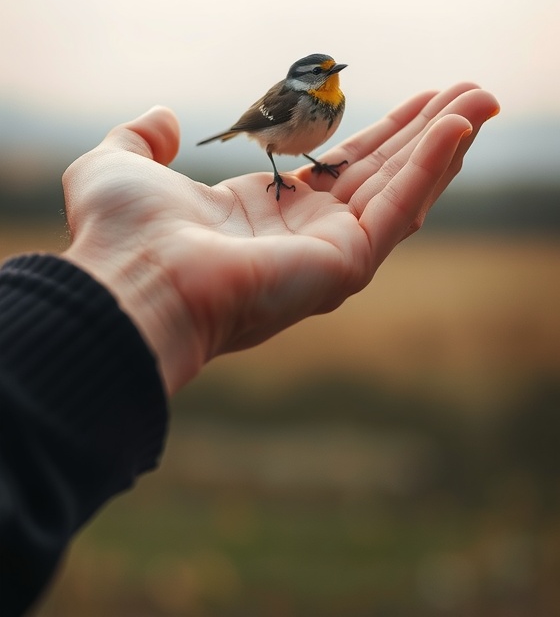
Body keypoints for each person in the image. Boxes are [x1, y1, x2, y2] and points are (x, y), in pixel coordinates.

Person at [0, 82, 498, 615]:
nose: (330, 76)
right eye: (320, 71)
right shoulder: (288, 100)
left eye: (332, 70)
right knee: (283, 152)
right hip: (272, 171)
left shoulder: (335, 102)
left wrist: (320, 166)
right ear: (305, 80)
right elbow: (271, 132)